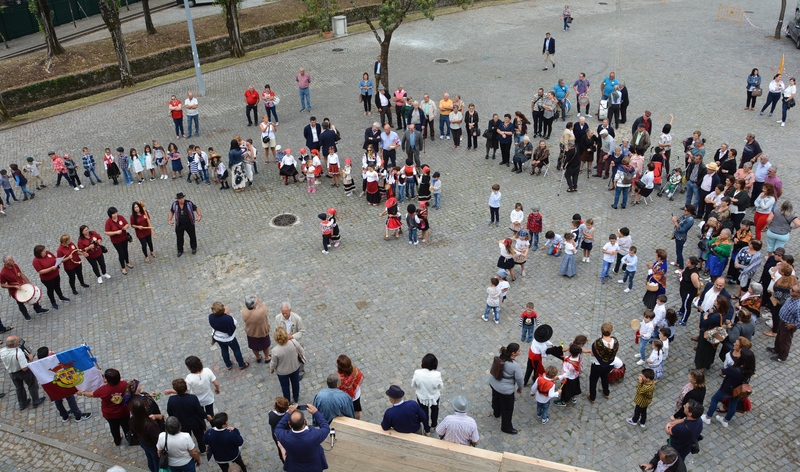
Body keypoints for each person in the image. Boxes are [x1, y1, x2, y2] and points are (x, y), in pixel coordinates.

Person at [702, 348, 755, 427]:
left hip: (726, 389)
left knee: (714, 399)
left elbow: (723, 371)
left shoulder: (734, 369)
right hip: (737, 390)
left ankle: (708, 417)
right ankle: (725, 420)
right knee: (733, 405)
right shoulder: (749, 369)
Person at [77, 368, 131, 446]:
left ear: (106, 380)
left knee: (114, 428)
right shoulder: (124, 384)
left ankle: (117, 440)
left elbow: (92, 394)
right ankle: (130, 438)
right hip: (124, 411)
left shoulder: (103, 390)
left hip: (110, 414)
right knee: (127, 426)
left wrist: (83, 392)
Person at [274, 404, 329, 471]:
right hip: (314, 467)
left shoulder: (285, 437)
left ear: (289, 424)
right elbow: (326, 428)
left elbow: (278, 428)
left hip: (295, 467)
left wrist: (288, 413)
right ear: (304, 422)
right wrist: (316, 412)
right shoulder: (314, 435)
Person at [0, 335, 45, 410]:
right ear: (14, 345)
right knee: (32, 385)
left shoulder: (2, 351)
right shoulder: (19, 353)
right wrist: (30, 359)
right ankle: (36, 401)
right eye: (18, 342)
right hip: (23, 372)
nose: (19, 343)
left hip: (12, 372)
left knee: (19, 388)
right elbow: (24, 368)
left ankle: (22, 403)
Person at [166, 378, 208, 454]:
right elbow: (199, 411)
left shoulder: (171, 400)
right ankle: (203, 450)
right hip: (195, 422)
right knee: (200, 437)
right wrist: (206, 416)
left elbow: (170, 413)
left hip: (182, 424)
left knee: (187, 439)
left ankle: (190, 450)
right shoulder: (192, 398)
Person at [488, 343, 523, 434]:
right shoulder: (515, 365)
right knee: (507, 409)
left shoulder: (502, 356)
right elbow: (519, 379)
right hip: (505, 390)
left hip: (493, 383)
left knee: (495, 398)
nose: (520, 351)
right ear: (513, 353)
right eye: (519, 350)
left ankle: (496, 412)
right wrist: (520, 388)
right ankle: (506, 427)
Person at [209, 302, 249, 371]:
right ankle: (241, 364)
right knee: (236, 349)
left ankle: (228, 365)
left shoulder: (211, 317)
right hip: (229, 339)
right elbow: (234, 324)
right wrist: (227, 315)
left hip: (218, 338)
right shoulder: (228, 319)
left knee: (224, 350)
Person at [694, 296, 730, 370]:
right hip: (713, 334)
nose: (714, 301)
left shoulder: (716, 316)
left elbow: (705, 322)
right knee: (710, 350)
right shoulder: (722, 312)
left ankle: (701, 367)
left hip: (707, 334)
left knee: (703, 351)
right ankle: (706, 364)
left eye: (716, 300)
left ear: (718, 304)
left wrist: (706, 315)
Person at [270, 326, 303, 403]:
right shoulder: (293, 342)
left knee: (285, 387)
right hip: (294, 367)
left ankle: (287, 401)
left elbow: (274, 363)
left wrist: (271, 369)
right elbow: (301, 351)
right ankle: (296, 397)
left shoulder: (275, 350)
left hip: (282, 372)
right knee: (295, 383)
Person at [411, 353, 443, 432]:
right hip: (434, 397)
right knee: (435, 410)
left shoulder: (417, 373)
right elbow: (440, 386)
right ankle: (434, 424)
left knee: (424, 413)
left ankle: (426, 429)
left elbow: (413, 384)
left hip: (422, 397)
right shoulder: (437, 374)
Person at [129, 396, 162, 472]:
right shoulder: (151, 424)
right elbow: (156, 439)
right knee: (156, 461)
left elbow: (134, 433)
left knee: (149, 458)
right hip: (152, 446)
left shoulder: (132, 420)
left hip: (143, 443)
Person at [588, 322, 618, 402]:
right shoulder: (615, 341)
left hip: (598, 365)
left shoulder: (597, 343)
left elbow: (592, 354)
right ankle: (606, 393)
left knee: (593, 380)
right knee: (605, 377)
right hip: (610, 364)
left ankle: (592, 397)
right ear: (611, 331)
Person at [769, 282, 800, 362]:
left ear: (798, 294)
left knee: (785, 341)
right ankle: (776, 349)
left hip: (788, 325)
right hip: (782, 320)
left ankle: (782, 356)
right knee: (779, 336)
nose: (790, 290)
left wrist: (793, 325)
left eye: (793, 290)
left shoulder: (798, 306)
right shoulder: (791, 297)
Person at [32, 244, 69, 309]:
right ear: (39, 253)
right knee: (50, 290)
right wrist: (51, 269)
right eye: (43, 251)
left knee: (57, 286)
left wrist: (58, 261)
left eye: (44, 250)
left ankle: (61, 296)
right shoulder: (36, 261)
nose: (45, 251)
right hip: (47, 279)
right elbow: (40, 271)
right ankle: (53, 302)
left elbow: (55, 258)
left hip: (55, 274)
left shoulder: (48, 253)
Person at [168, 192, 202, 257]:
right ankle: (180, 250)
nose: (182, 200)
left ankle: (193, 248)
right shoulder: (175, 204)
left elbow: (196, 208)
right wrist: (169, 220)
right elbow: (171, 212)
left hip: (189, 223)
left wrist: (199, 215)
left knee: (192, 236)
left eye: (182, 198)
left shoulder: (189, 203)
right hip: (179, 224)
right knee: (179, 238)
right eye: (180, 199)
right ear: (177, 199)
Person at [241, 295, 270, 364]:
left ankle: (258, 357)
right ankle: (267, 357)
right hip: (261, 332)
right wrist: (258, 302)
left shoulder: (244, 312)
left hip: (251, 333)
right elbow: (265, 308)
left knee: (254, 347)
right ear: (254, 304)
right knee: (265, 346)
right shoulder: (260, 312)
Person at [104, 207, 132, 275]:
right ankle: (123, 267)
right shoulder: (108, 222)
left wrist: (126, 226)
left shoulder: (120, 217)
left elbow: (127, 224)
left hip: (124, 238)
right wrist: (116, 232)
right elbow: (107, 232)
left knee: (125, 250)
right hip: (116, 241)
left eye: (116, 213)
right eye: (113, 214)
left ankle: (127, 262)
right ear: (110, 214)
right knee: (121, 253)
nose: (115, 214)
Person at [268, 397, 289, 464]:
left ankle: (284, 461)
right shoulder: (289, 415)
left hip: (278, 436)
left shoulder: (271, 414)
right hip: (287, 434)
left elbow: (270, 423)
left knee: (280, 449)